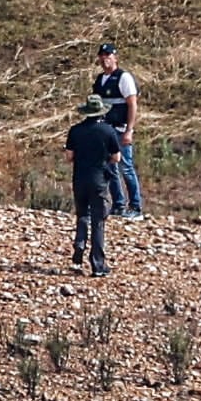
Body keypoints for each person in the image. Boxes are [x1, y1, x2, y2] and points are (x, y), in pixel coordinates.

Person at [64, 99, 126, 277]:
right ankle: (98, 264)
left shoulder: (75, 130)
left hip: (79, 178)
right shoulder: (108, 131)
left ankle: (80, 244)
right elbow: (117, 157)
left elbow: (69, 156)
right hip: (99, 179)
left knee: (82, 214)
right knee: (98, 221)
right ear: (101, 112)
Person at [88, 44, 144, 220]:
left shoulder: (123, 77)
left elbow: (132, 104)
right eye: (102, 55)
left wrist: (129, 130)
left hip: (120, 130)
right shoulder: (100, 80)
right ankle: (118, 205)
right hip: (106, 130)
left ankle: (135, 206)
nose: (105, 59)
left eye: (108, 55)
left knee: (126, 167)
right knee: (110, 168)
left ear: (115, 57)